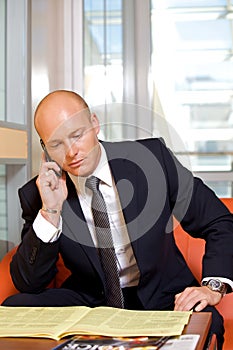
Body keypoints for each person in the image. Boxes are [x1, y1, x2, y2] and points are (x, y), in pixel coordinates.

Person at [3, 90, 233, 349]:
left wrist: (213, 286)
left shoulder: (152, 160)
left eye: (77, 135)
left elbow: (219, 222)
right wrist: (51, 211)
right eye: (56, 144)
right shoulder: (39, 194)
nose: (71, 153)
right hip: (91, 300)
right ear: (45, 149)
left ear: (94, 124)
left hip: (165, 297)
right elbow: (28, 283)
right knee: (14, 307)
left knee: (207, 322)